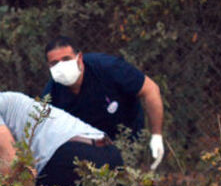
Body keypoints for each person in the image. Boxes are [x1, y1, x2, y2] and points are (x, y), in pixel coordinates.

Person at [42, 36, 166, 170]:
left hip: (128, 139)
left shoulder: (107, 67)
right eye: (54, 63)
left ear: (79, 58)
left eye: (66, 59)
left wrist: (156, 135)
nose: (61, 66)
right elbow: (46, 134)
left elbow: (150, 89)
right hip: (88, 153)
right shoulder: (51, 95)